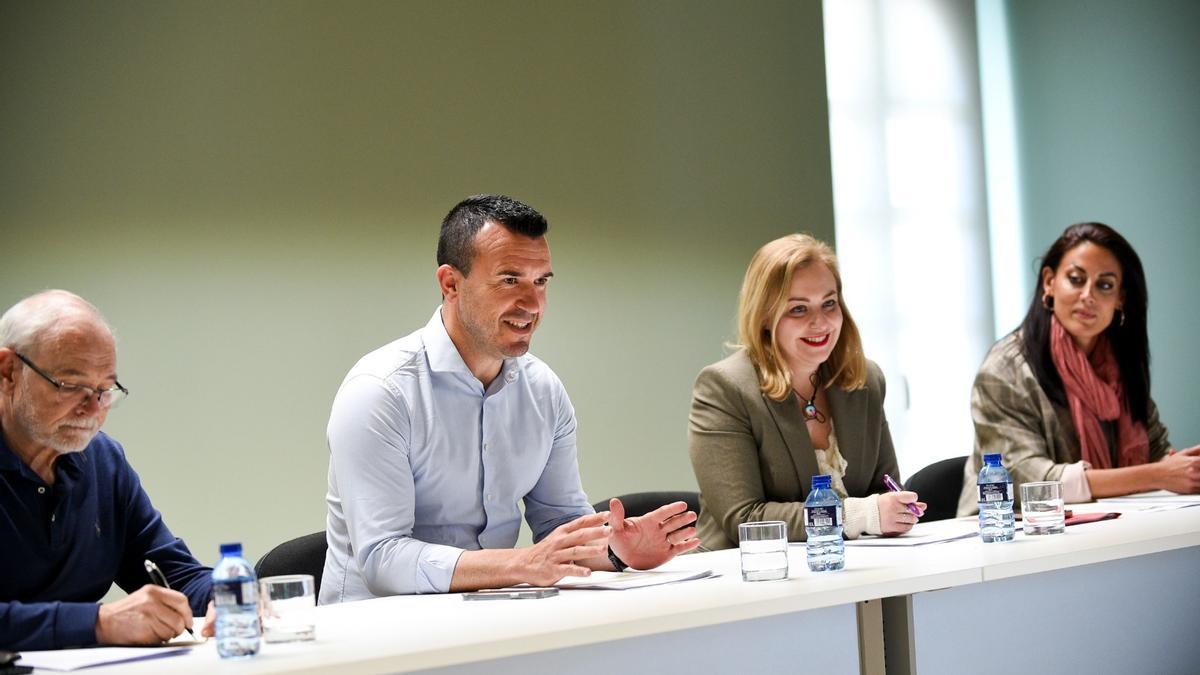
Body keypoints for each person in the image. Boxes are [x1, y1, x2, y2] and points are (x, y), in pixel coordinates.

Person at [320, 194, 700, 602]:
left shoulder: (543, 391)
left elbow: (560, 524)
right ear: (450, 283)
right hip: (377, 638)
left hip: (493, 620)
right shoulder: (381, 391)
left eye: (541, 282)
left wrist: (614, 551)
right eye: (509, 280)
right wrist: (522, 565)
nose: (533, 304)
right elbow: (383, 560)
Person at [0, 291, 212, 650]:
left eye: (105, 389)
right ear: (8, 371)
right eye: (71, 386)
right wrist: (98, 623)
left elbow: (174, 574)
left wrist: (229, 595)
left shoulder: (102, 460)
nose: (93, 409)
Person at [688, 234, 924, 550]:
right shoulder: (724, 388)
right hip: (749, 576)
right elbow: (745, 518)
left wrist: (895, 509)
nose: (821, 323)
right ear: (765, 317)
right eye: (798, 309)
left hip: (851, 568)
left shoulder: (865, 380)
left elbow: (882, 488)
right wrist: (860, 515)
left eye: (829, 303)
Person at [957, 222, 1200, 514]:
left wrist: (1183, 467)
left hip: (1108, 529)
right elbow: (1026, 481)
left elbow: (1157, 452)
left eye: (1105, 285)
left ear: (1120, 298)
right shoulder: (1005, 370)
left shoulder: (1119, 363)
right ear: (1049, 282)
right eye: (1076, 279)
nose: (1088, 295)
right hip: (1009, 538)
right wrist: (1159, 474)